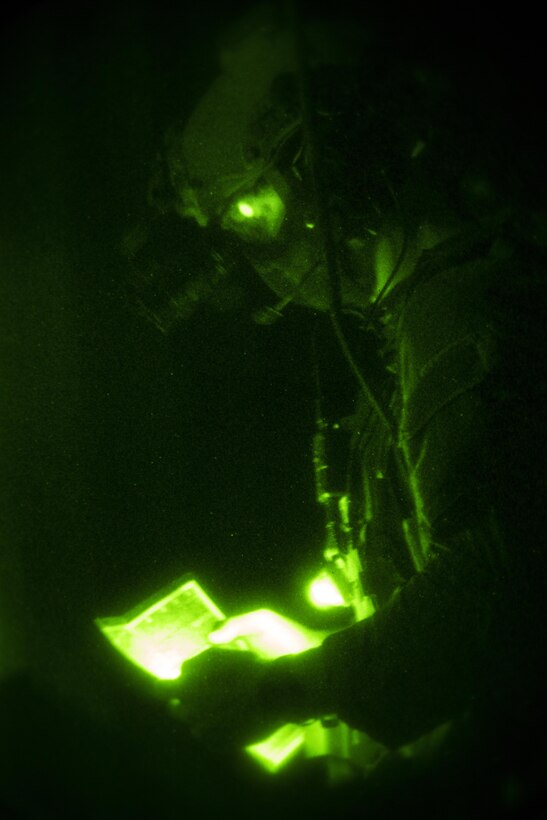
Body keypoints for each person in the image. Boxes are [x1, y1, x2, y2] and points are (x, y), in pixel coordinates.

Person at [144, 3, 547, 815]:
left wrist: (282, 689)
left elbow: (492, 595)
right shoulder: (433, 312)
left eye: (251, 217)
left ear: (317, 171)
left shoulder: (455, 318)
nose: (257, 261)